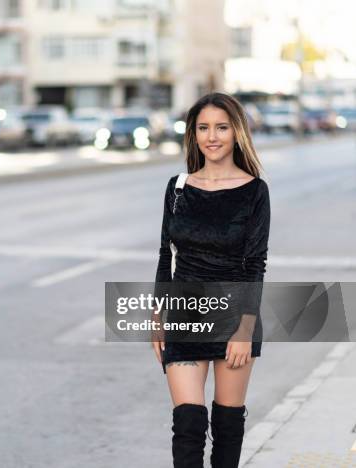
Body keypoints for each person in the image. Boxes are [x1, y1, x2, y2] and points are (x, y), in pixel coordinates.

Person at [151, 92, 271, 468]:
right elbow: (164, 256)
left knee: (227, 425)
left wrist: (244, 330)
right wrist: (157, 316)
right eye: (203, 127)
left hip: (235, 315)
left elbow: (255, 265)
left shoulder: (254, 191)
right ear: (193, 134)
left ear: (237, 133)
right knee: (187, 425)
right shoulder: (178, 188)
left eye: (221, 127)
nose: (212, 136)